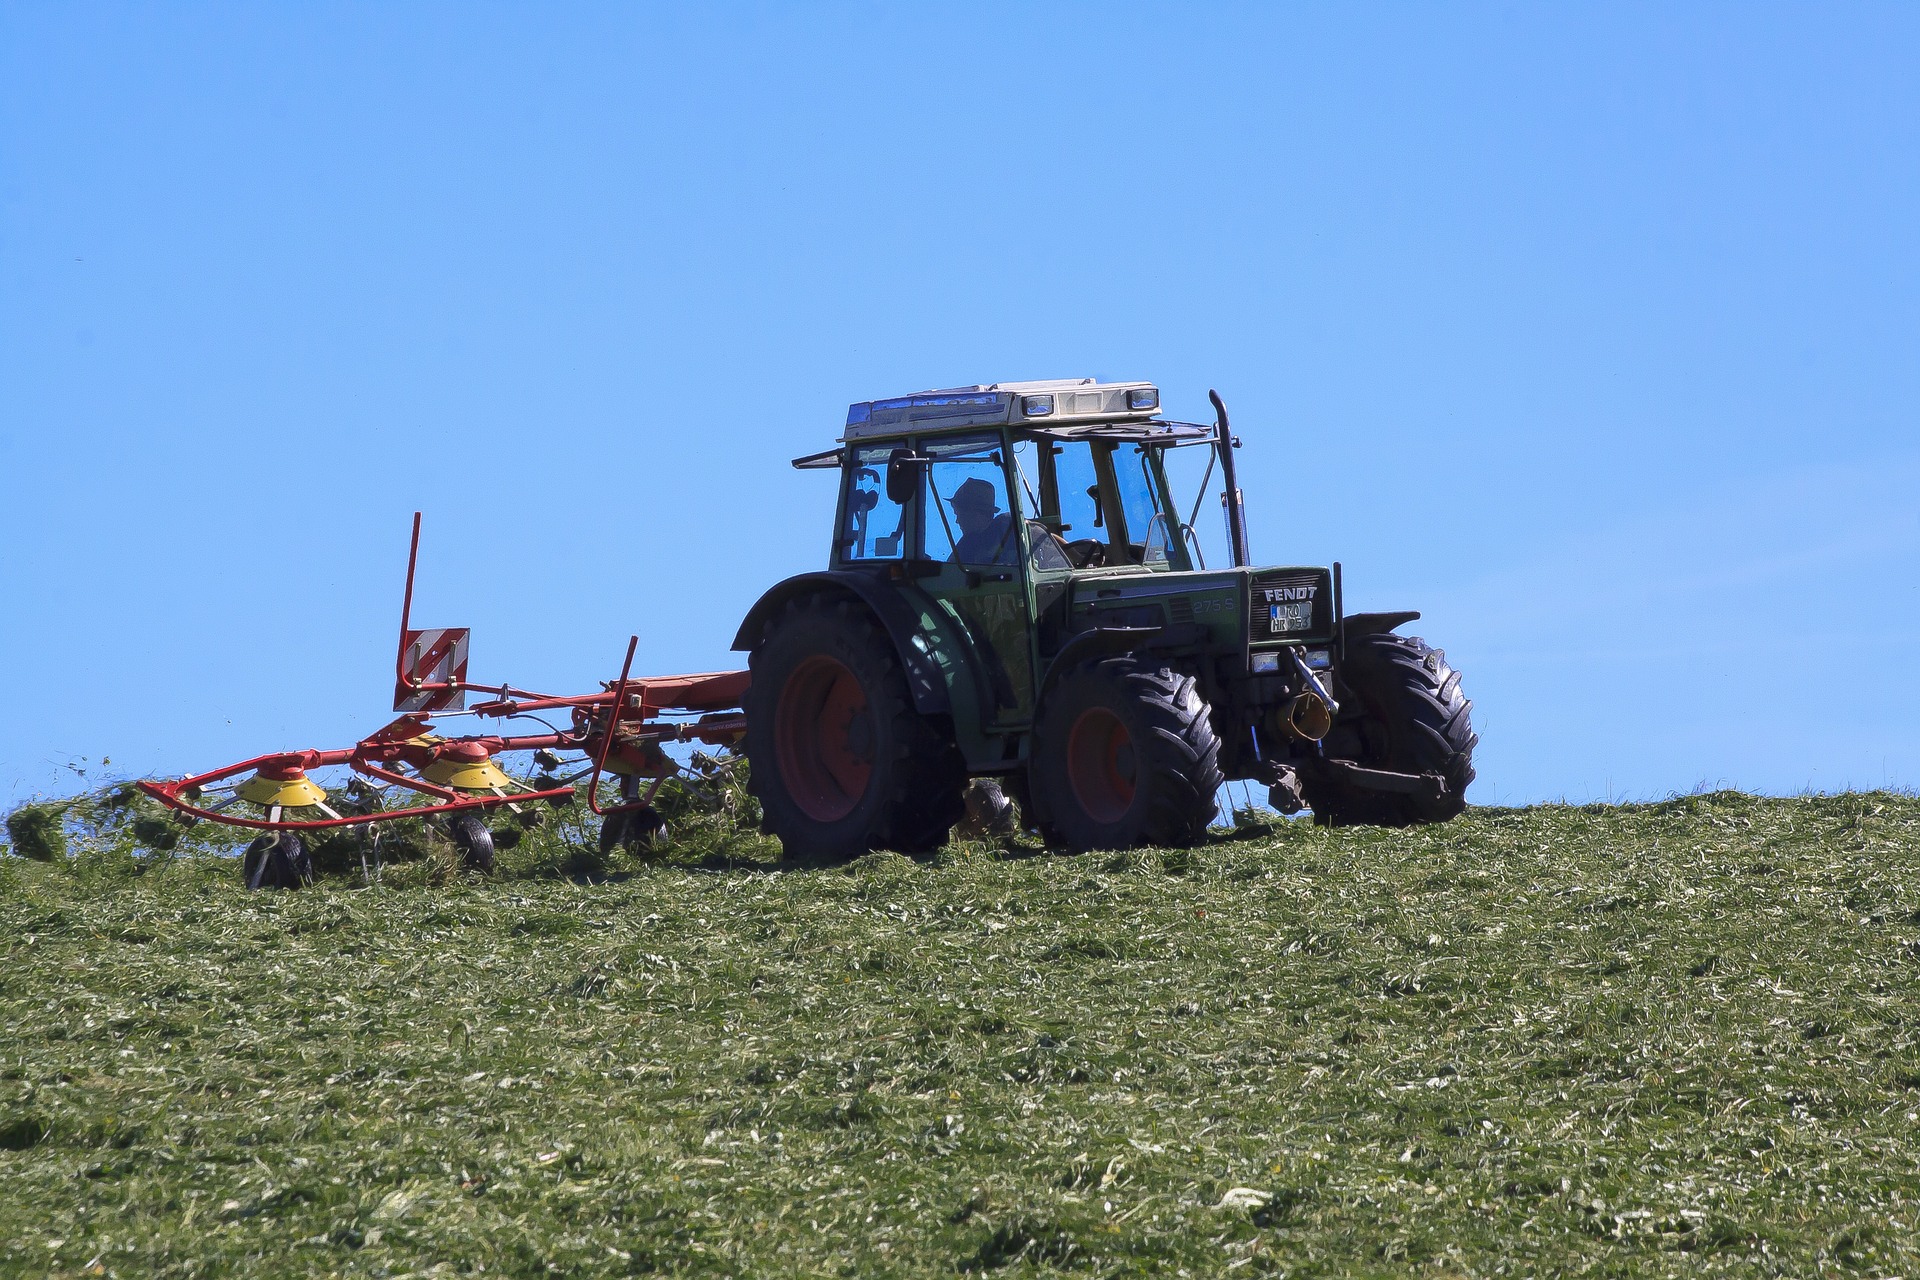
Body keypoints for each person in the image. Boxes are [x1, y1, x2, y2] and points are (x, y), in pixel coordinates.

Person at [947, 477, 1015, 565]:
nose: (957, 521)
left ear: (976, 513)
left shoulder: (1010, 529)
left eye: (959, 515)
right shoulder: (966, 547)